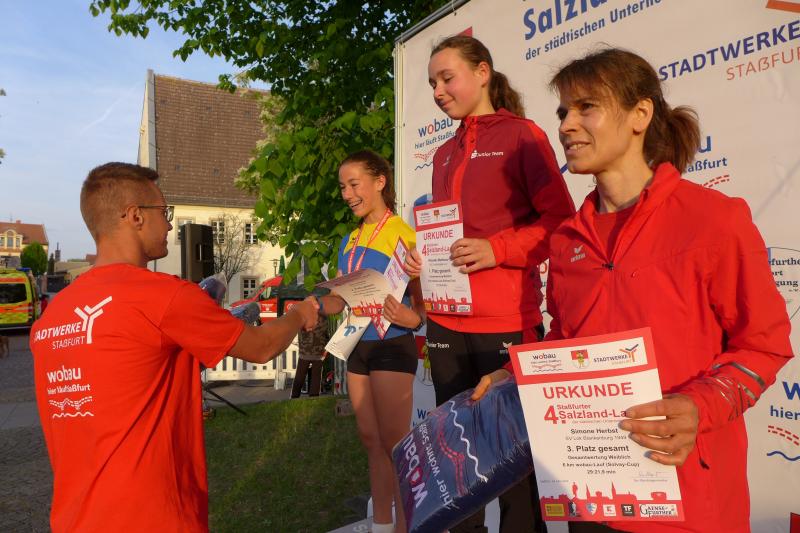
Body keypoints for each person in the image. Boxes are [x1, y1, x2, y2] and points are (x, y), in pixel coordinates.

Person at [474, 47, 793, 532]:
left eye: (586, 107)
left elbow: (764, 345)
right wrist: (515, 374)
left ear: (640, 114)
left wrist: (700, 406)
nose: (567, 125)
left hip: (689, 501)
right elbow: (565, 339)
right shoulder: (566, 238)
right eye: (563, 112)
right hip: (592, 494)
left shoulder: (714, 219)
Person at [30, 162, 319, 532]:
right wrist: (300, 313)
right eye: (164, 212)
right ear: (135, 216)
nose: (170, 225)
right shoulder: (163, 296)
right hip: (152, 517)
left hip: (76, 519)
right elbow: (262, 347)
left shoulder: (54, 315)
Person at [405, 35, 575, 533]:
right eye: (432, 83)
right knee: (457, 465)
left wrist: (496, 249)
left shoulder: (522, 136)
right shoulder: (443, 153)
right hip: (445, 323)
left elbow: (560, 223)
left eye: (447, 78)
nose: (438, 91)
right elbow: (449, 234)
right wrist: (425, 261)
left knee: (513, 469)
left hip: (505, 322)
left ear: (483, 73)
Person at [316, 150, 425, 533]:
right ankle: (381, 523)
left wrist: (414, 319)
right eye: (342, 187)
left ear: (380, 182)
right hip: (357, 346)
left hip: (392, 346)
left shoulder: (404, 234)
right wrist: (315, 304)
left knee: (395, 444)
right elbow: (341, 298)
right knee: (371, 440)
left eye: (354, 184)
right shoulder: (349, 240)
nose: (347, 194)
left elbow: (423, 301)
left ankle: (405, 526)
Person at [291, 317, 330, 398]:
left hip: (305, 351)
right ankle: (313, 397)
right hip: (319, 351)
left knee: (300, 376)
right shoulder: (323, 318)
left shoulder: (303, 316)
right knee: (316, 377)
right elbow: (326, 335)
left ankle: (294, 397)